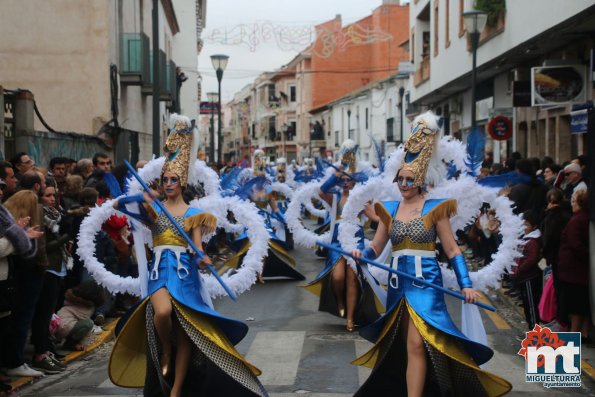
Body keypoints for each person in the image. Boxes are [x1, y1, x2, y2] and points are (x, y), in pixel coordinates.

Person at [350, 112, 511, 396]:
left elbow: (451, 249)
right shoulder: (388, 209)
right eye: (400, 179)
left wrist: (466, 285)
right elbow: (375, 247)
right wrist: (361, 252)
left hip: (426, 282)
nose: (403, 185)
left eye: (409, 180)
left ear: (421, 179)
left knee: (417, 342)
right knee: (401, 344)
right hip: (398, 285)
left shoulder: (437, 208)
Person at [108, 115, 266, 397]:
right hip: (160, 273)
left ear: (182, 183)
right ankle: (164, 351)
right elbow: (119, 204)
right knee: (163, 312)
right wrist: (142, 199)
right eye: (164, 180)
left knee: (186, 336)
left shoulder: (194, 214)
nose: (168, 184)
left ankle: (177, 389)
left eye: (173, 180)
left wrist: (202, 258)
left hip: (185, 275)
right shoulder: (153, 211)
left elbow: (198, 249)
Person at [302, 140, 379, 332]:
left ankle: (350, 318)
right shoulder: (334, 197)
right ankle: (339, 301)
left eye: (348, 178)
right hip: (337, 241)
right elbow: (321, 191)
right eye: (343, 179)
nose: (345, 182)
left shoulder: (362, 198)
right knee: (337, 278)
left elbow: (375, 217)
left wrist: (392, 220)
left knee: (353, 278)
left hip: (356, 241)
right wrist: (337, 173)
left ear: (355, 180)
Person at [1, 190, 47, 378]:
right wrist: (20, 234)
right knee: (17, 320)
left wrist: (22, 234)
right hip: (12, 279)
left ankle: (11, 362)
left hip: (9, 279)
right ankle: (13, 361)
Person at [557, 189, 590, 341]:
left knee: (575, 304)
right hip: (574, 269)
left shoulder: (577, 220)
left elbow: (575, 244)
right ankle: (581, 333)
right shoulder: (581, 218)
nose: (572, 204)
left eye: (574, 201)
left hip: (573, 269)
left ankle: (574, 334)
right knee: (578, 303)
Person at [510, 211, 543, 334]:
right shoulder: (526, 239)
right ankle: (531, 329)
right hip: (523, 278)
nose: (524, 227)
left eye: (527, 225)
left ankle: (535, 332)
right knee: (527, 305)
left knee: (531, 306)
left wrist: (520, 269)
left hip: (529, 278)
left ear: (534, 226)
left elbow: (532, 259)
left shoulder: (533, 242)